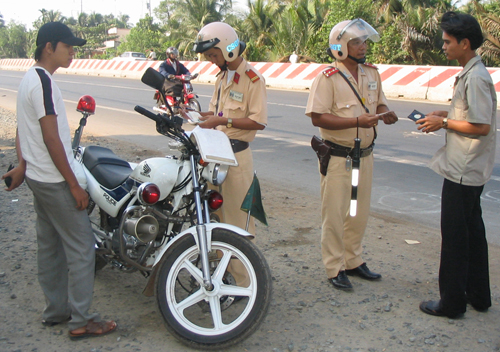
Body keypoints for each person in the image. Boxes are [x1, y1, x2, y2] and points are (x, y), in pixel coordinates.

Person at [1, 22, 117, 339]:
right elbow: (51, 139)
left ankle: (55, 311)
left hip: (39, 178)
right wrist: (74, 185)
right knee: (82, 249)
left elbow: (24, 129)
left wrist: (24, 165)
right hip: (55, 180)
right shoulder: (43, 83)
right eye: (68, 47)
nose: (72, 52)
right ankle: (82, 319)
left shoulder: (29, 79)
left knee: (50, 246)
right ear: (49, 47)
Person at [305, 18, 398, 291]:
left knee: (358, 212)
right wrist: (357, 122)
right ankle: (334, 266)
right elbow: (318, 118)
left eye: (364, 41)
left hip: (365, 156)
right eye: (356, 42)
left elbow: (378, 101)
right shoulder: (326, 78)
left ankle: (353, 259)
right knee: (334, 214)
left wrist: (385, 112)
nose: (363, 46)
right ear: (340, 47)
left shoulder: (372, 73)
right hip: (338, 157)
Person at [416, 12, 496, 319]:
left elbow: (481, 126)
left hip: (463, 169)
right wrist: (446, 112)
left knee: (455, 237)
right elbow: (470, 114)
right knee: (473, 232)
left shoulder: (475, 77)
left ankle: (451, 303)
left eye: (448, 41)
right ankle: (478, 295)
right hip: (471, 168)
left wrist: (444, 121)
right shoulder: (472, 72)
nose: (443, 46)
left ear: (464, 43)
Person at [190, 22, 268, 286]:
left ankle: (246, 285)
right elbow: (220, 114)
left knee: (238, 225)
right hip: (217, 158)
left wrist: (224, 123)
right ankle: (224, 279)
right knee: (216, 221)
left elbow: (257, 122)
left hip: (237, 160)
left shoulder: (253, 79)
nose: (212, 61)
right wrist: (202, 116)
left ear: (228, 48)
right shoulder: (222, 78)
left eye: (214, 55)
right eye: (209, 57)